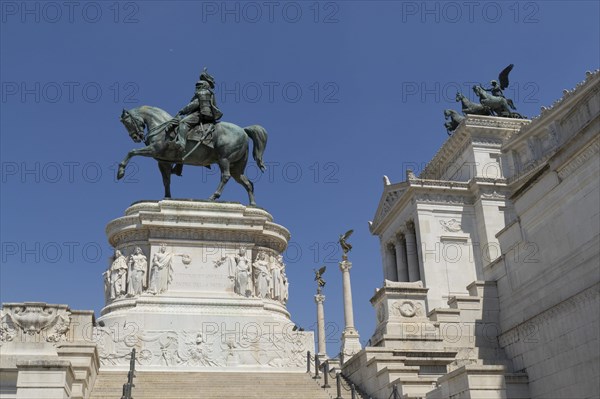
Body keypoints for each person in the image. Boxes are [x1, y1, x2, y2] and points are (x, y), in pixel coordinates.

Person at [174, 69, 223, 156]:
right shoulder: (210, 93)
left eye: (199, 85)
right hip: (208, 114)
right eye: (197, 85)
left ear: (204, 85)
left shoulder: (202, 92)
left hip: (201, 114)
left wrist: (182, 111)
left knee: (183, 122)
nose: (197, 87)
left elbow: (194, 104)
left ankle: (181, 143)